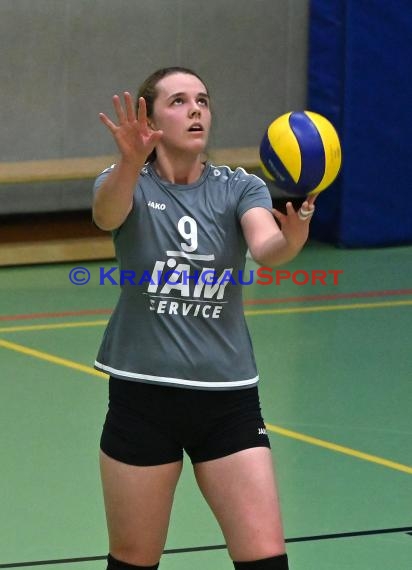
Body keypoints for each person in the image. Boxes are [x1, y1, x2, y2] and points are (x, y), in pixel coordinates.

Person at [92, 66, 315, 570]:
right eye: (179, 101)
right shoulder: (123, 183)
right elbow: (107, 215)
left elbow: (266, 246)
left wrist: (292, 239)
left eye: (203, 100)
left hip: (228, 400)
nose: (196, 109)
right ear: (149, 118)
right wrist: (131, 161)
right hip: (142, 397)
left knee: (265, 556)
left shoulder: (239, 187)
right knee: (133, 559)